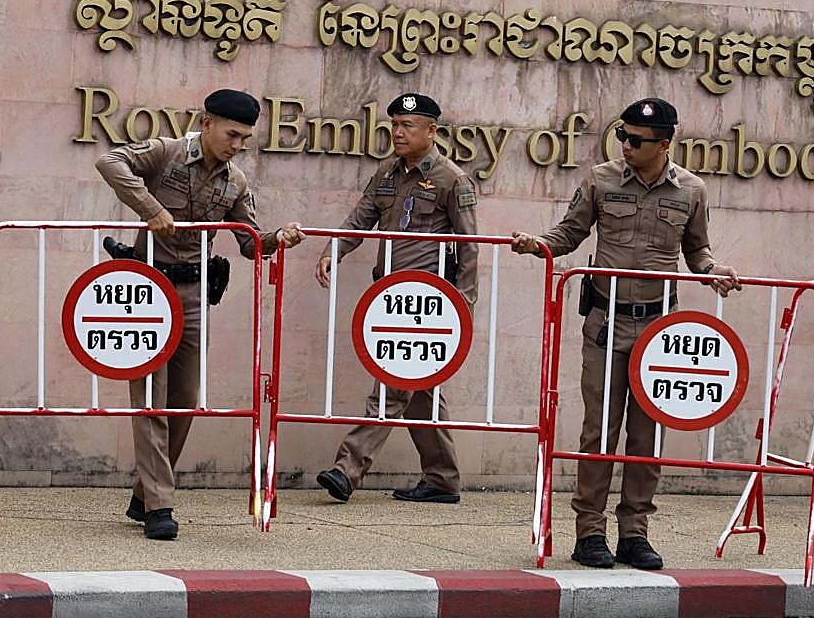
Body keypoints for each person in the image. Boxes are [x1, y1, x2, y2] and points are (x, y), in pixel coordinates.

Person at [510, 98, 740, 571]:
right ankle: (589, 532)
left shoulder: (690, 191)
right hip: (605, 322)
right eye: (623, 136)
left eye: (637, 140)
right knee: (599, 431)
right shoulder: (600, 179)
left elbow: (697, 252)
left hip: (658, 329)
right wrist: (537, 245)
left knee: (646, 435)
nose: (626, 146)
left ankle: (635, 532)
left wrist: (715, 269)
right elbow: (569, 233)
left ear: (665, 144)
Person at [95, 89, 305, 540]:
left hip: (192, 291)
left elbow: (249, 242)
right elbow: (110, 162)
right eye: (232, 134)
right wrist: (150, 209)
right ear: (206, 123)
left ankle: (145, 493)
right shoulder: (166, 153)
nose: (238, 144)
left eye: (246, 138)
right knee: (151, 397)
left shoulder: (235, 182)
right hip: (147, 287)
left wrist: (278, 238)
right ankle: (160, 507)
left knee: (184, 403)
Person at [314, 93, 478, 505]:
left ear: (432, 131)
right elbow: (361, 218)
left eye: (408, 125)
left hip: (428, 303)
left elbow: (470, 245)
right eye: (394, 124)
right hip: (389, 296)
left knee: (392, 381)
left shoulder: (451, 179)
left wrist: (465, 306)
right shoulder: (387, 172)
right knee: (419, 393)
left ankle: (347, 469)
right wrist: (333, 250)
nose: (398, 132)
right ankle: (442, 479)